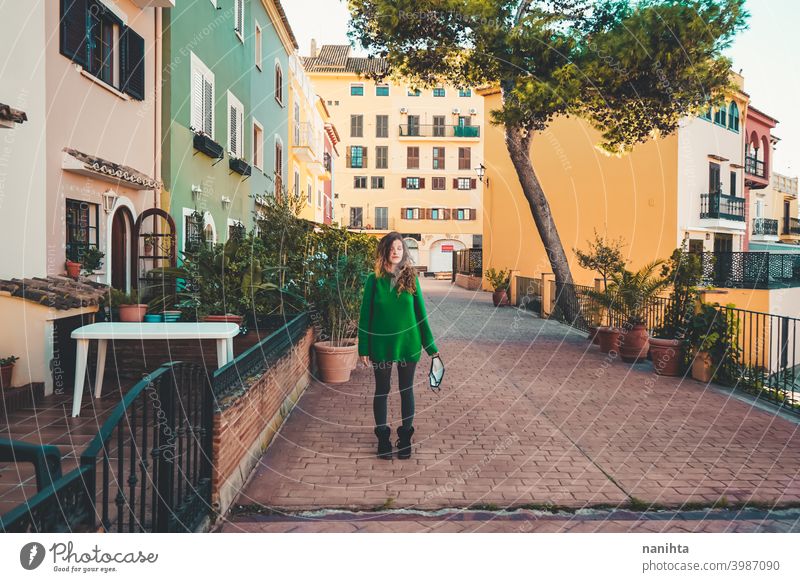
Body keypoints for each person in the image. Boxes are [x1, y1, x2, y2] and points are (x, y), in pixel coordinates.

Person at [357, 232, 439, 460]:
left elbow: (421, 314)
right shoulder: (373, 279)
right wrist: (363, 347)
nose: (396, 252)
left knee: (406, 390)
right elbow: (365, 316)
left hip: (408, 343)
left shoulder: (411, 277)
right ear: (385, 251)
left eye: (399, 249)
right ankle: (383, 439)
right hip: (381, 344)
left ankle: (405, 439)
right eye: (392, 248)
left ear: (404, 252)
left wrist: (430, 346)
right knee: (382, 390)